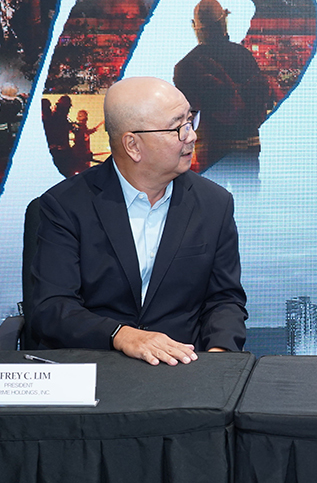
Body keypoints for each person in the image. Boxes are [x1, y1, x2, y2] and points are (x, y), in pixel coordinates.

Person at [31, 76, 248, 365]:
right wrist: (121, 335)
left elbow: (224, 301)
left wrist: (217, 361)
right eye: (177, 128)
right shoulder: (63, 207)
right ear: (133, 145)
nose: (191, 136)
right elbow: (52, 308)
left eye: (190, 121)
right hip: (94, 368)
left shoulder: (214, 204)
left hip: (181, 371)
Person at [173, 0, 268, 174]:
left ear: (195, 27)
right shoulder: (245, 57)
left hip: (209, 150)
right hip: (247, 148)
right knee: (248, 198)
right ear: (223, 22)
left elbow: (185, 117)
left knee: (210, 200)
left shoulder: (185, 66)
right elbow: (262, 102)